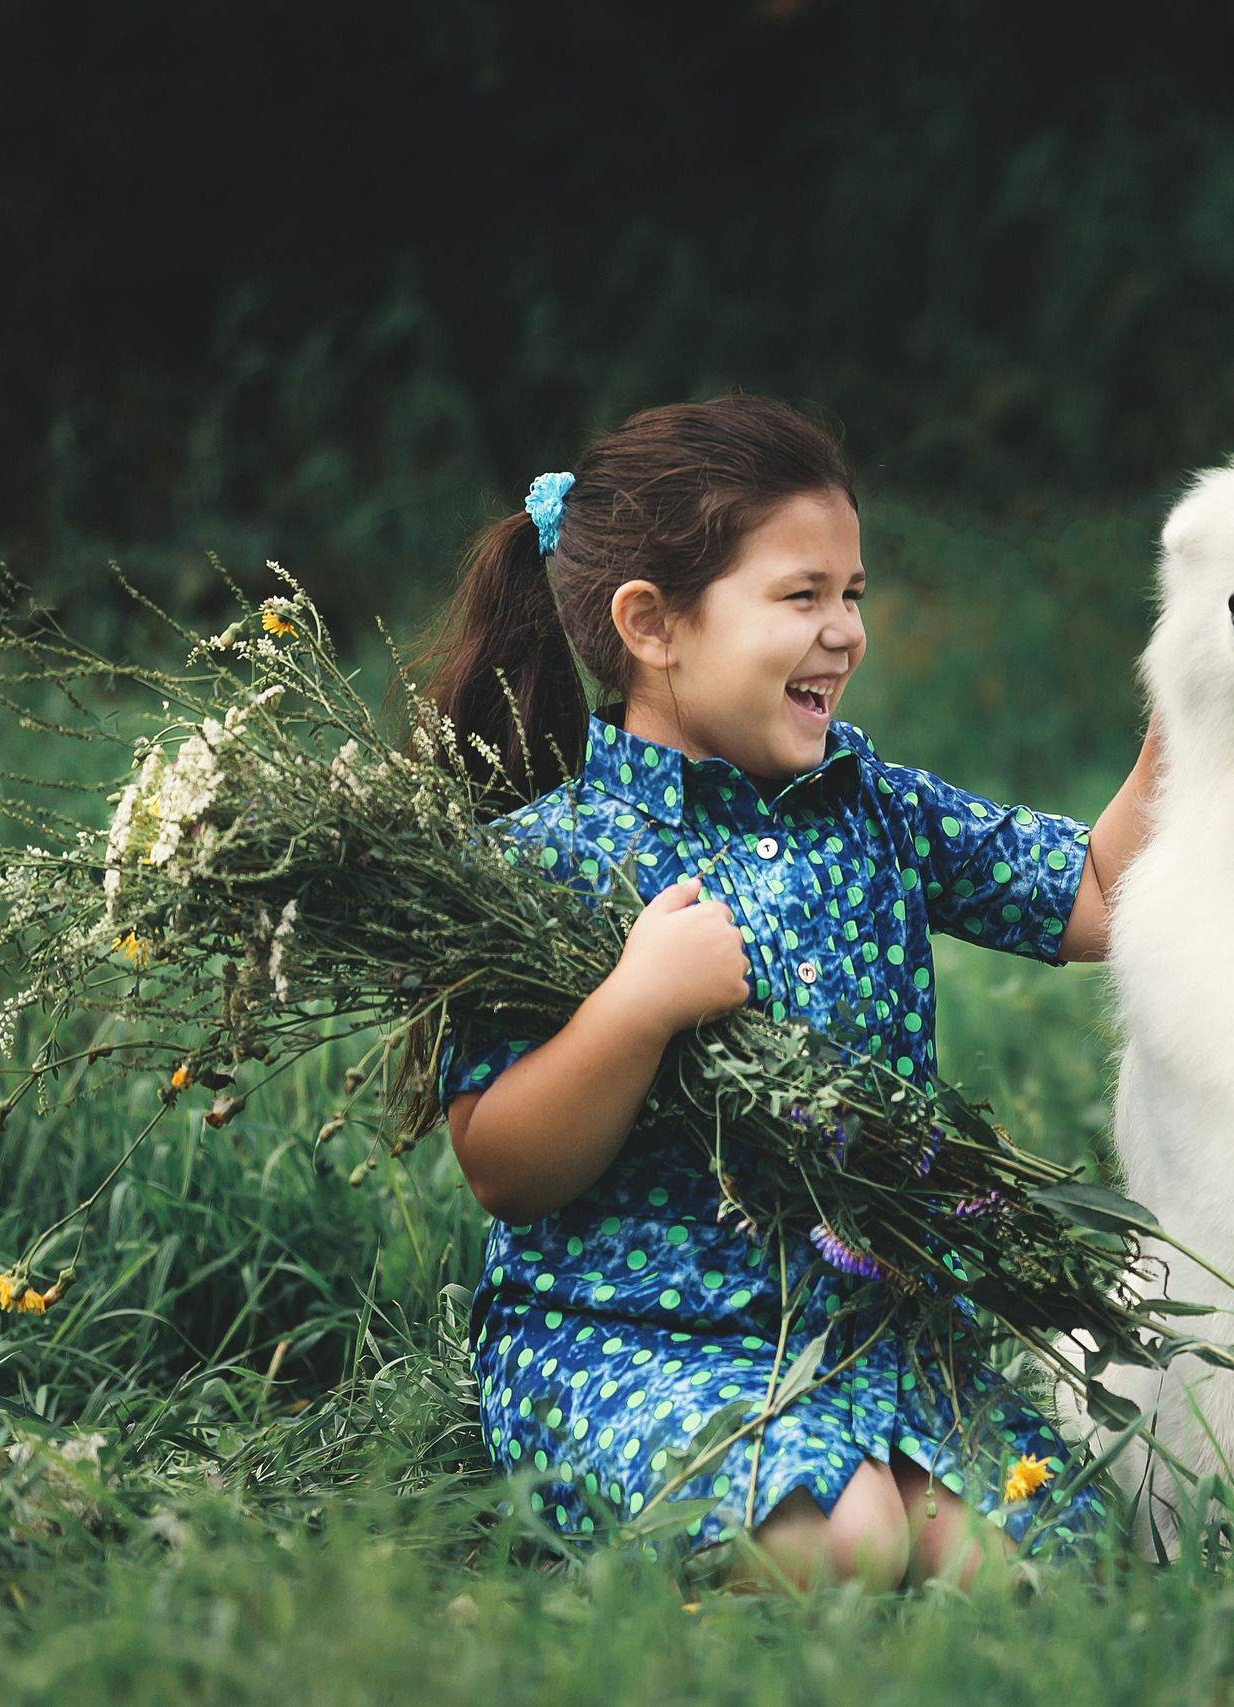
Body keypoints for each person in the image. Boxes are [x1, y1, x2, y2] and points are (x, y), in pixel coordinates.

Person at [426, 397, 1158, 1589]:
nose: (845, 632)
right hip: (635, 1343)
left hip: (879, 1338)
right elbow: (504, 1166)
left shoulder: (875, 807)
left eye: (852, 593)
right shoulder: (546, 862)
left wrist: (1192, 701)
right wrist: (634, 1008)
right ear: (652, 625)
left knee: (1035, 1564)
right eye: (801, 596)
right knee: (850, 1543)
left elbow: (1100, 896)